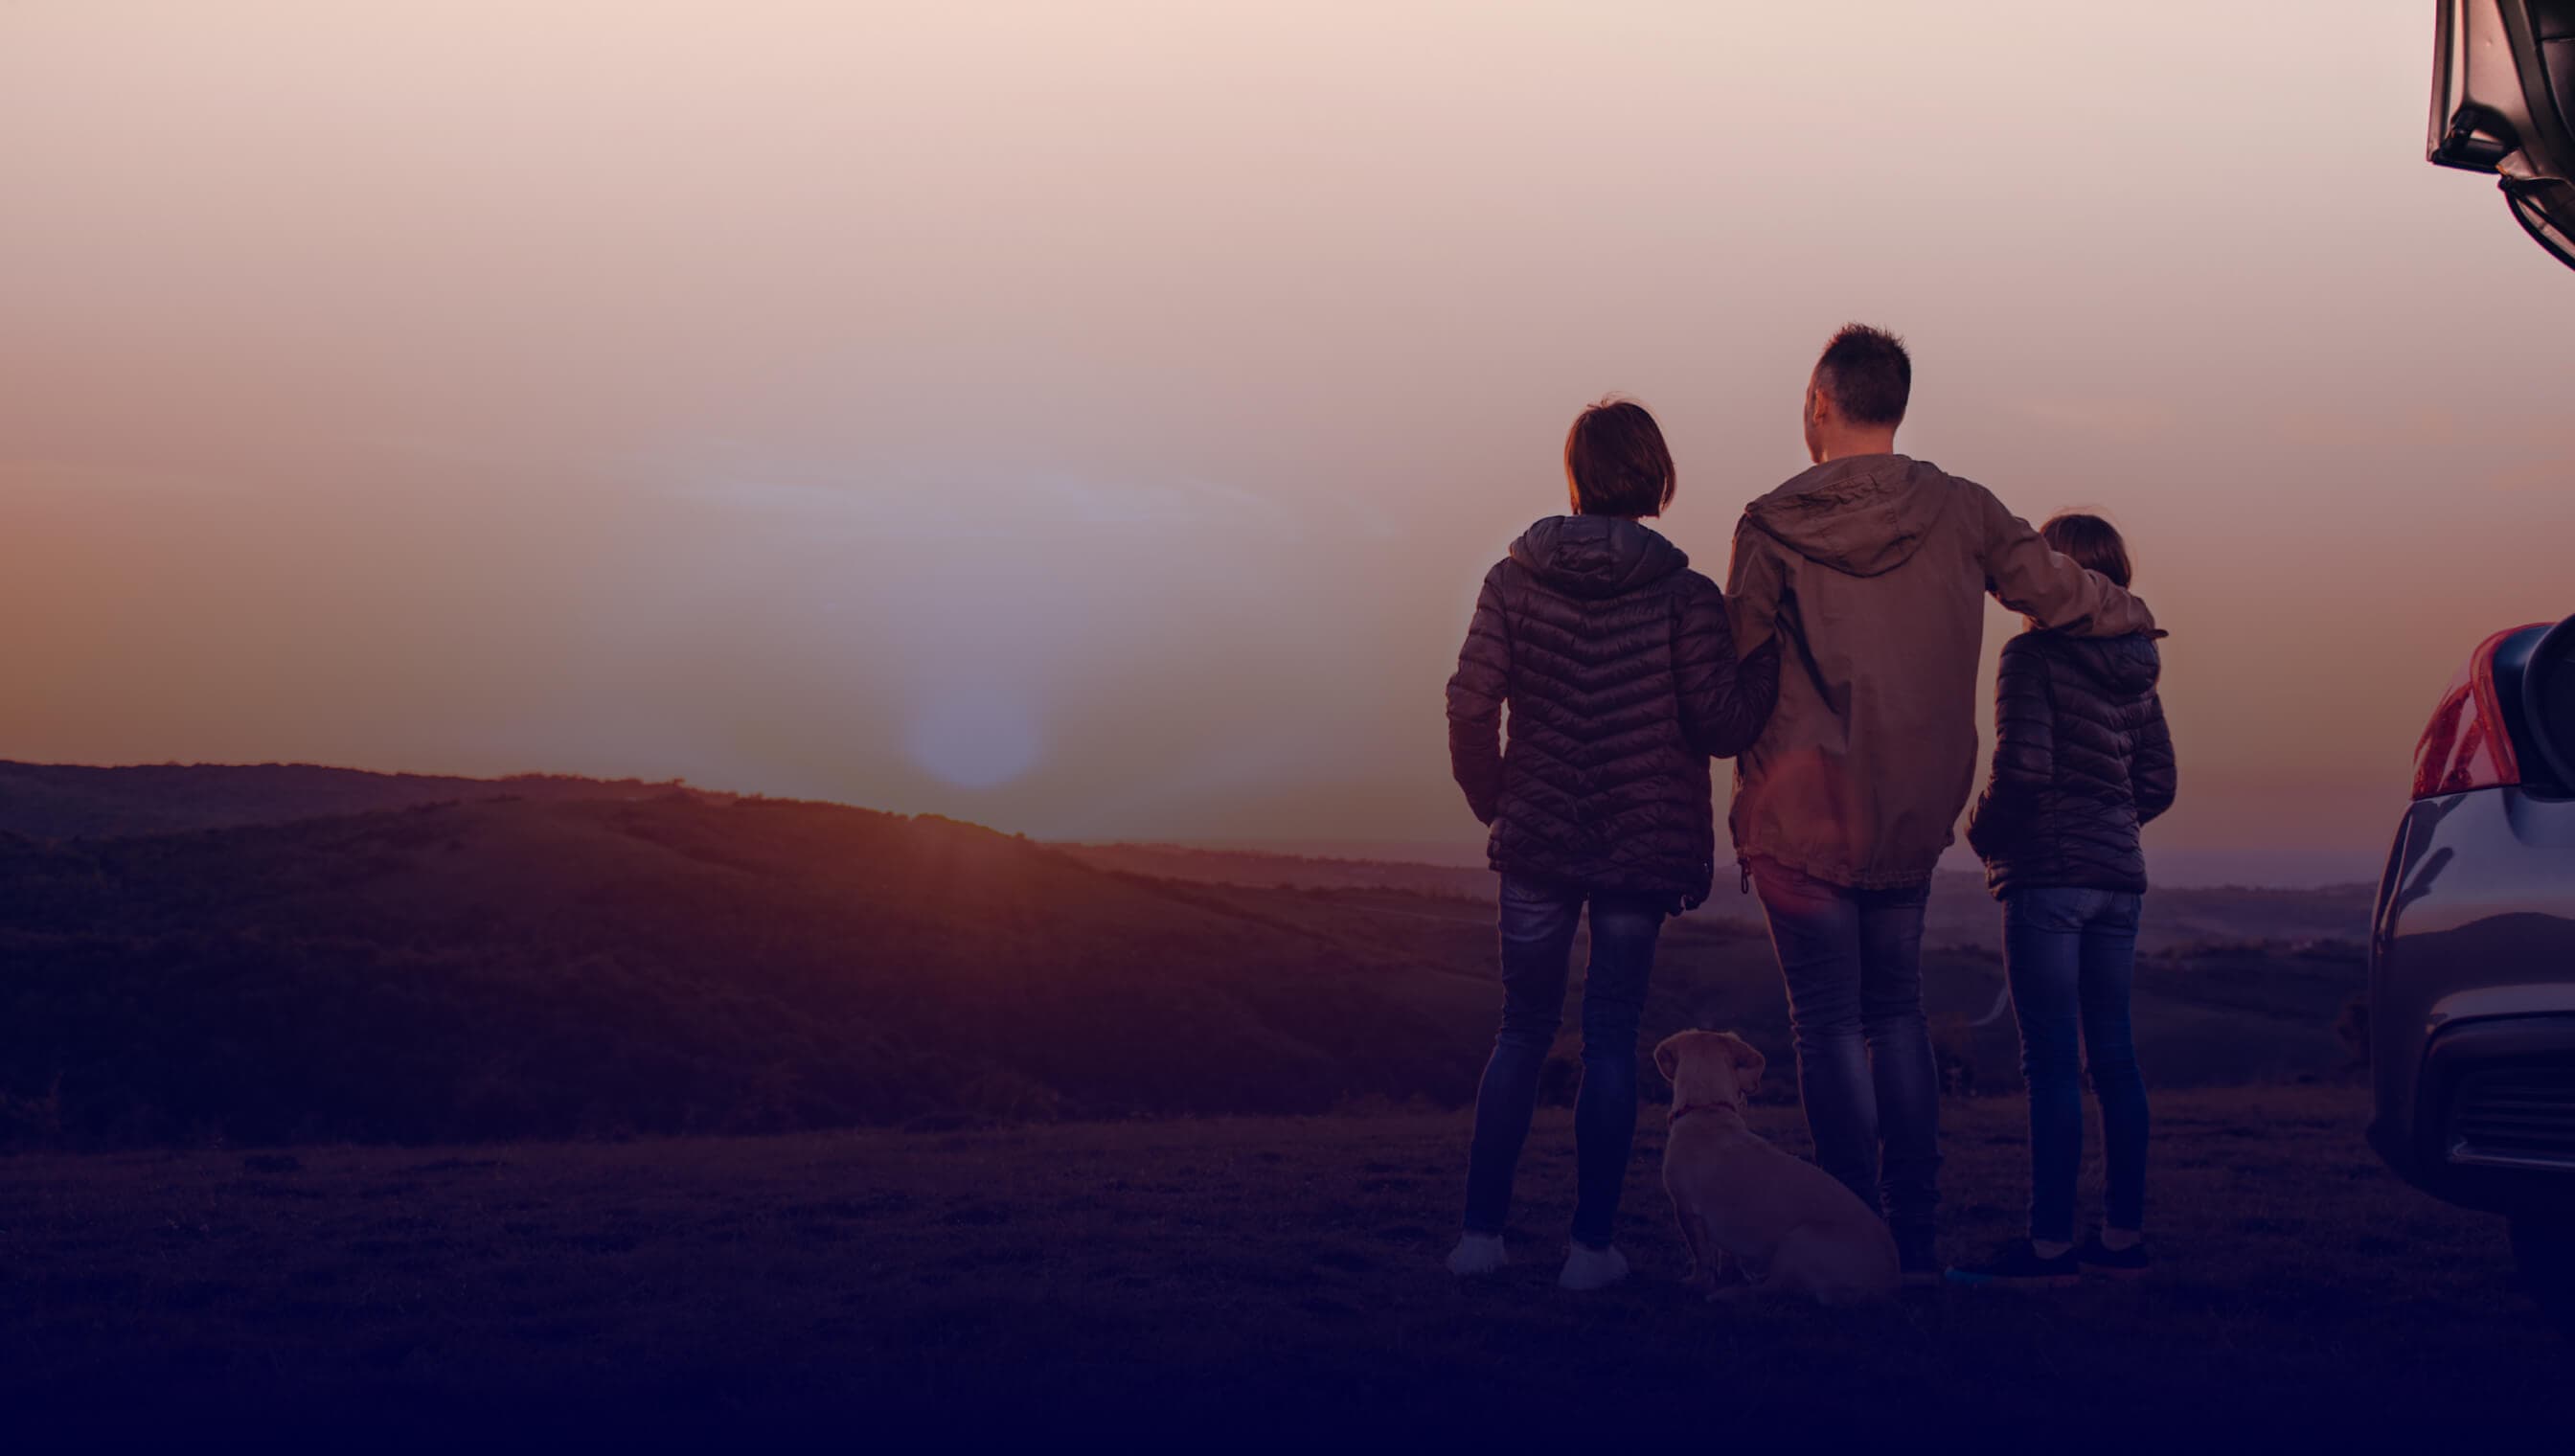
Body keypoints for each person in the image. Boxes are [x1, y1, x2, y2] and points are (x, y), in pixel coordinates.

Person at [1723, 325, 2154, 1283]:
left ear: (1819, 403)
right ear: (1899, 403)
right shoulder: (1964, 509)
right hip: (1913, 813)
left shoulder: (1769, 523)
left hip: (1801, 819)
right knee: (1896, 1014)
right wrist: (2134, 618)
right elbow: (2059, 591)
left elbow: (1737, 677)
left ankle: (1849, 1229)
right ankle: (1912, 1238)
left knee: (1827, 1023)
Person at [1443, 398, 1778, 1290]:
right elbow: (1718, 723)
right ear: (1654, 476)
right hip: (1639, 845)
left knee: (1520, 1031)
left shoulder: (1511, 582)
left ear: (1576, 474)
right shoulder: (1685, 595)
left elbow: (1471, 703)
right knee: (1613, 1039)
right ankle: (1591, 1251)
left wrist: (1499, 804)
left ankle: (1481, 1240)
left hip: (1538, 841)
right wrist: (1767, 660)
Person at [1948, 513, 2175, 1286]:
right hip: (2119, 879)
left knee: (2049, 1064)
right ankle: (2122, 1240)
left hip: (2048, 876)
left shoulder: (2031, 657)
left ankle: (2048, 1248)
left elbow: (2025, 770)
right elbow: (2158, 784)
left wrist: (1980, 834)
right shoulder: (2138, 665)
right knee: (2114, 1057)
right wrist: (2108, 830)